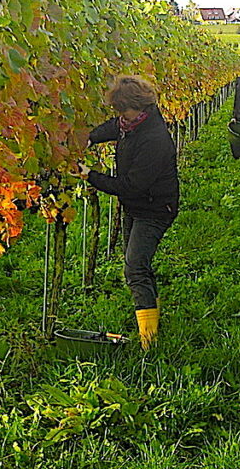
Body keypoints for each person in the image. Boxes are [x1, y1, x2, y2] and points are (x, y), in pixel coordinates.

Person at [76, 76, 179, 350]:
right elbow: (114, 128)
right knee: (138, 265)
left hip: (155, 208)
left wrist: (91, 176)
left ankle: (149, 343)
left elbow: (131, 185)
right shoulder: (131, 123)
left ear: (137, 106)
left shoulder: (155, 139)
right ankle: (153, 323)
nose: (120, 116)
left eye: (123, 111)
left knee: (134, 267)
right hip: (136, 205)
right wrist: (90, 139)